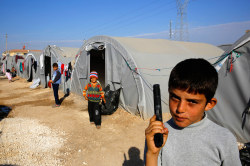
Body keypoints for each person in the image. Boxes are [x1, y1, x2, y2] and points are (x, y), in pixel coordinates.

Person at [145, 58, 241, 166]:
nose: (180, 109)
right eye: (175, 98)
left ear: (209, 104)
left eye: (192, 102)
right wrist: (152, 154)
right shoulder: (158, 134)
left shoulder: (224, 139)